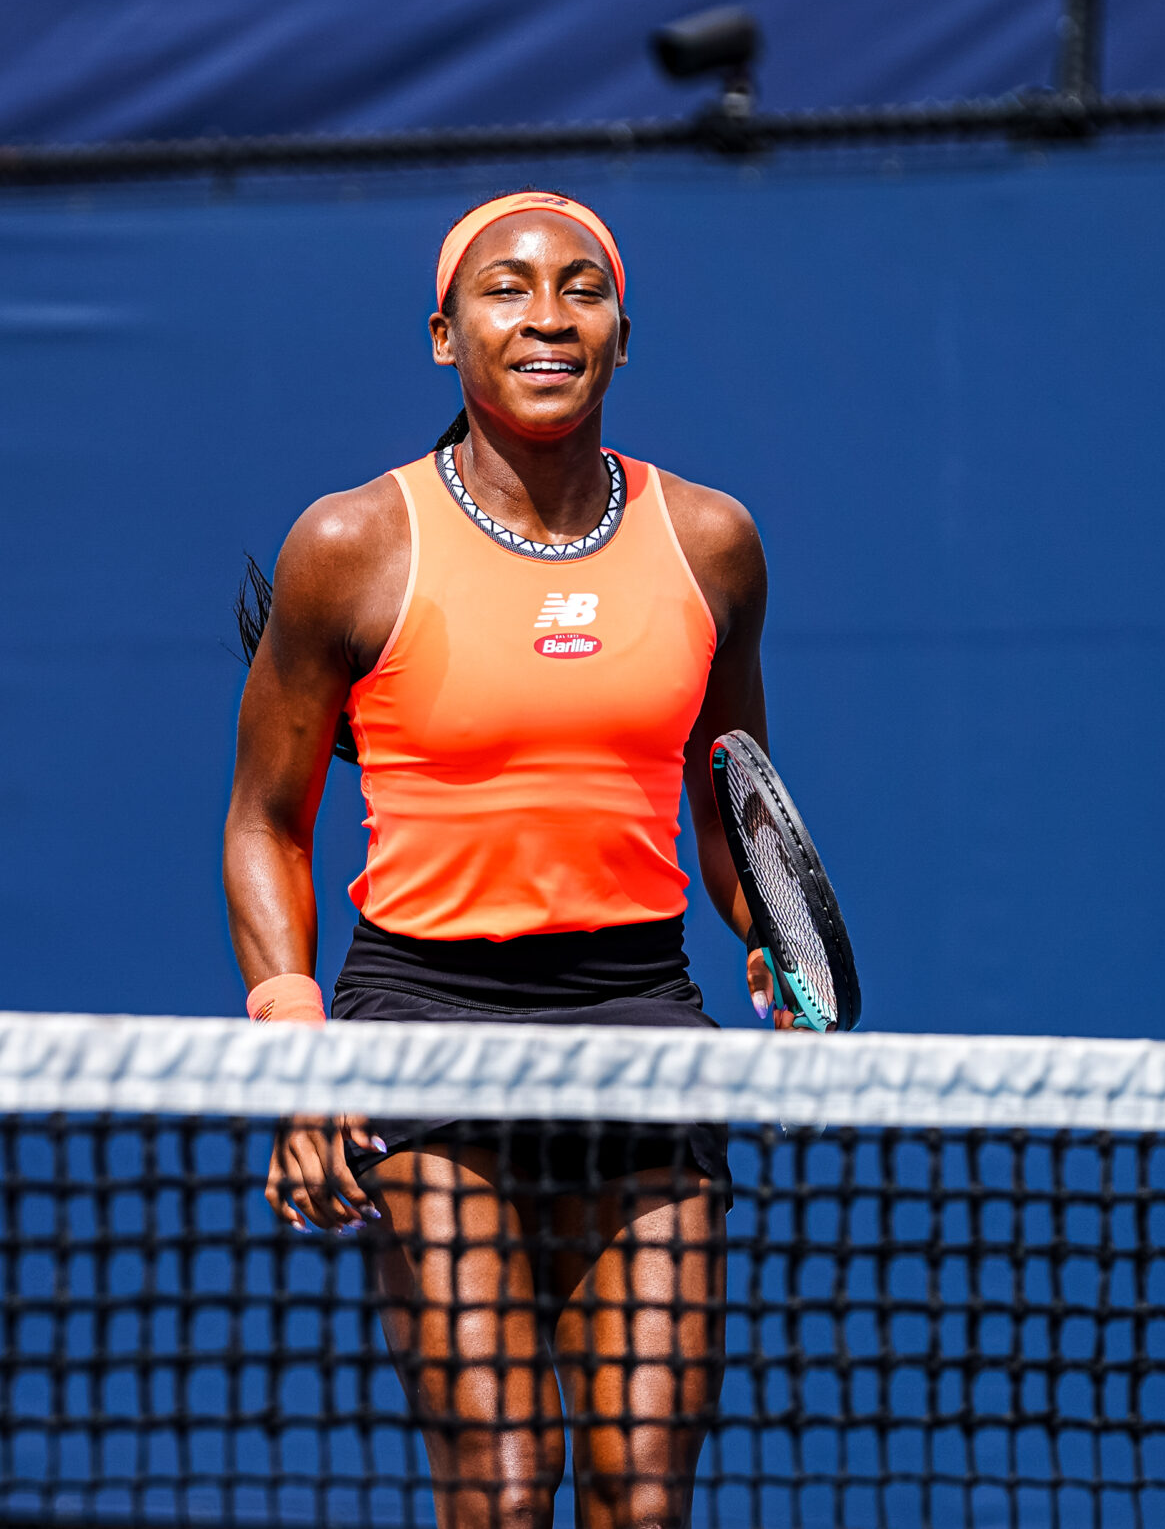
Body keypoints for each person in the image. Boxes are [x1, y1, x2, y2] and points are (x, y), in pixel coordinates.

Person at [223, 191, 784, 1529]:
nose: (546, 316)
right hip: (421, 1028)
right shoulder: (350, 547)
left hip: (639, 1021)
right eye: (507, 288)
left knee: (642, 1486)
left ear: (621, 333)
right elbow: (264, 821)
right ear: (444, 334)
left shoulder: (710, 542)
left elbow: (733, 798)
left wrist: (768, 927)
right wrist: (297, 1048)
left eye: (580, 288)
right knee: (504, 1473)